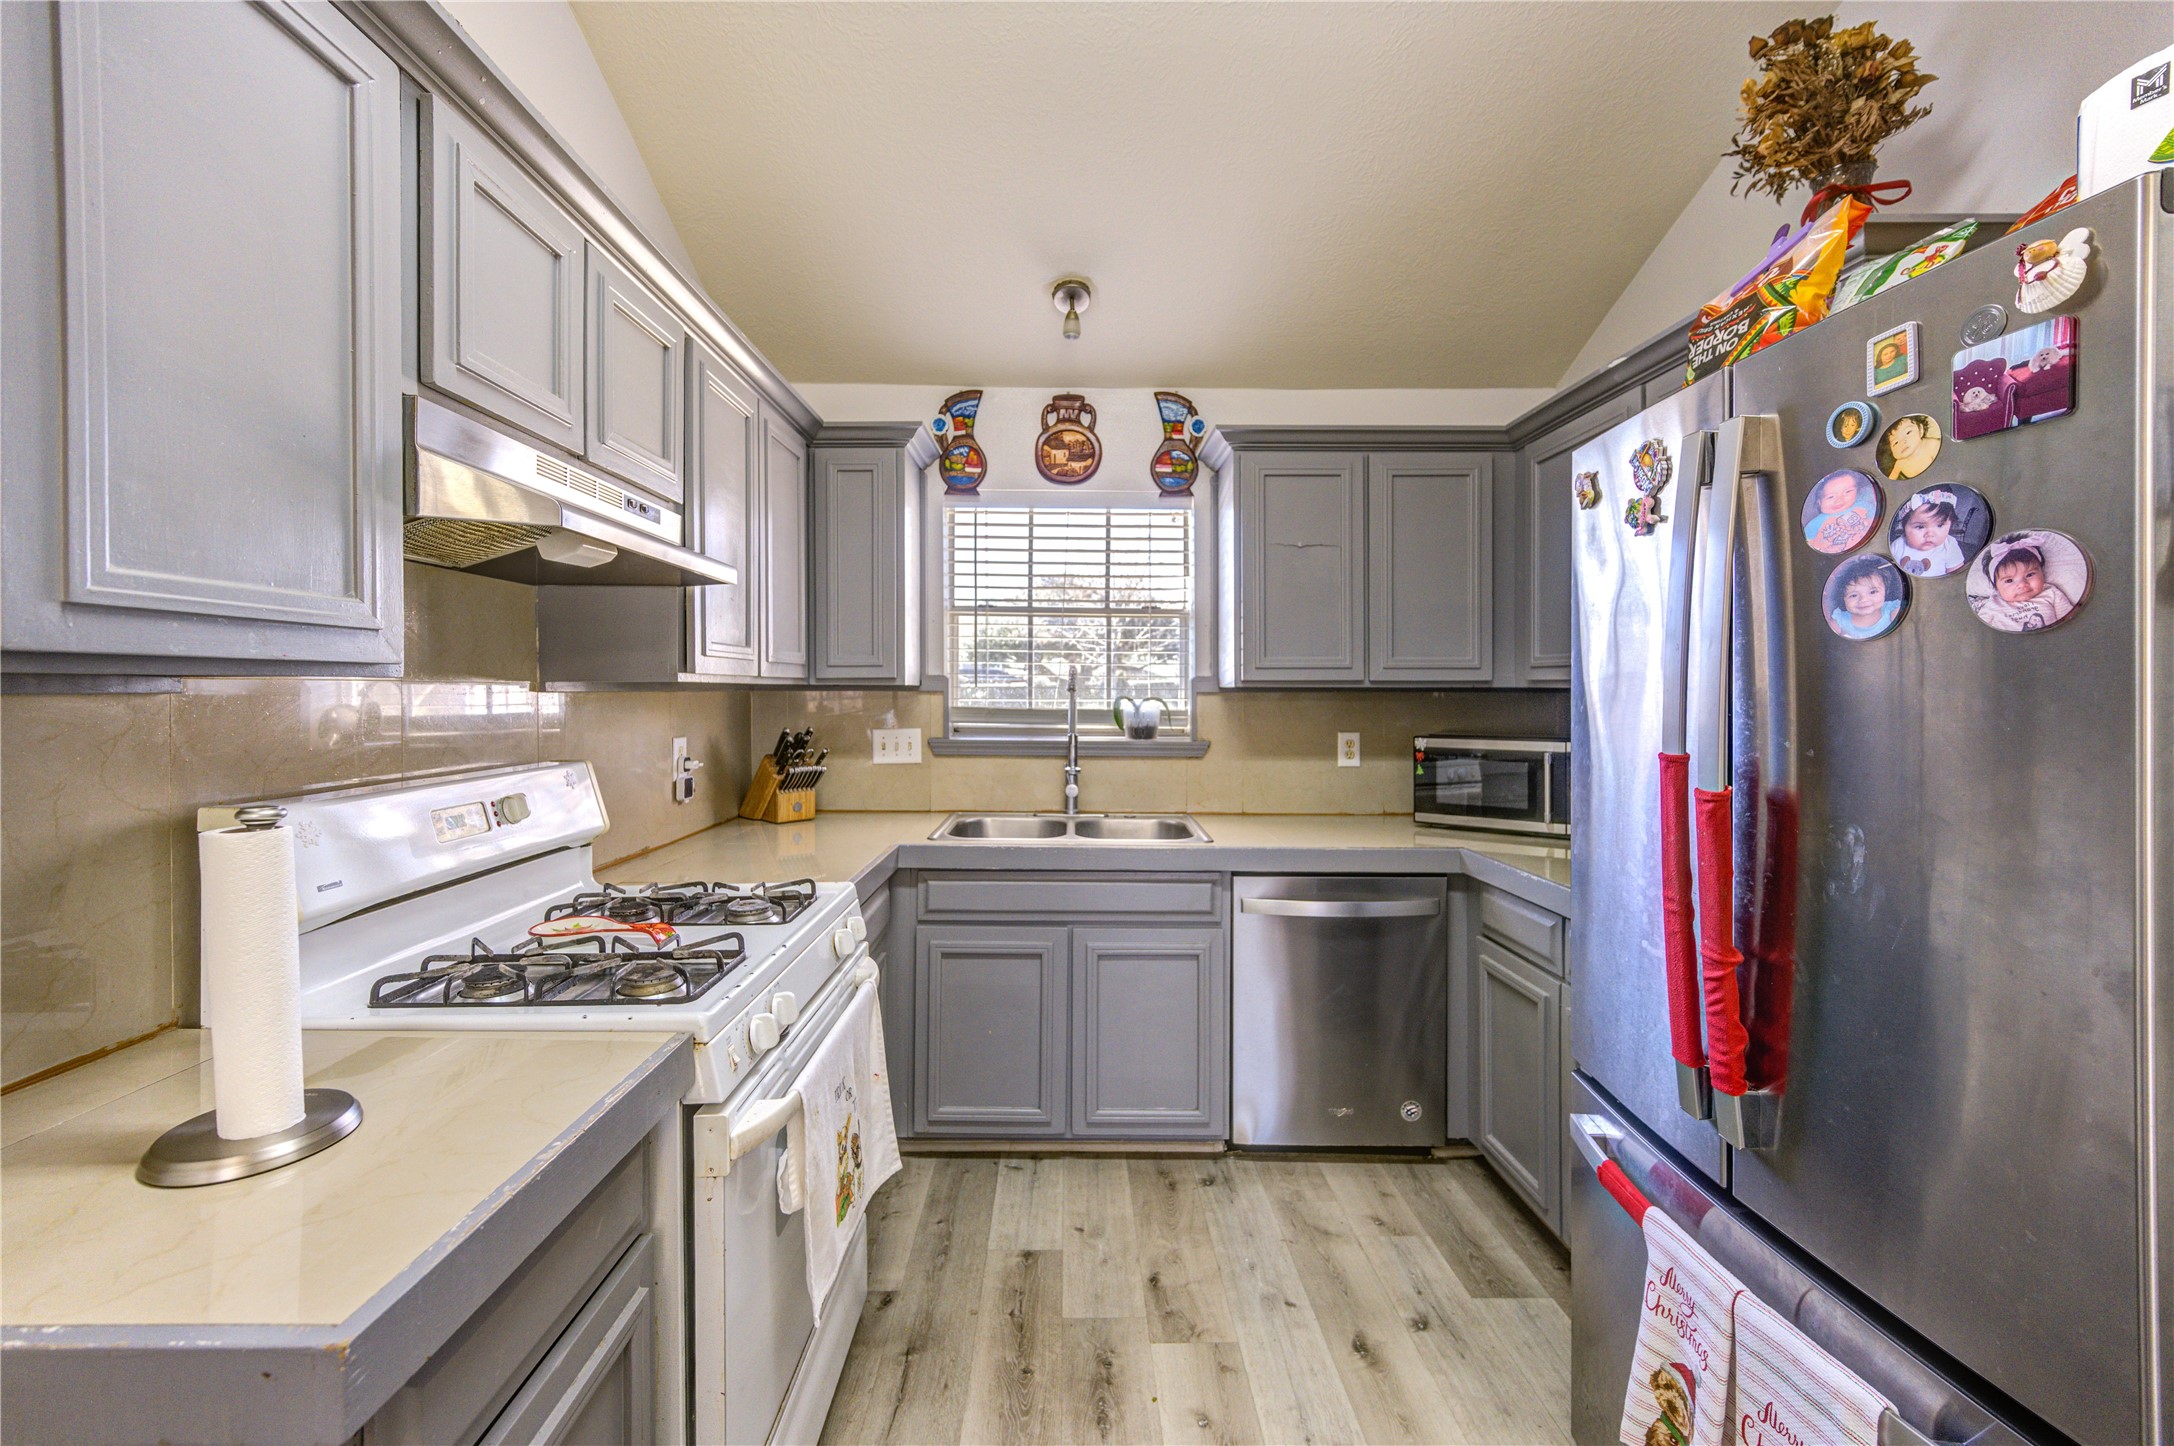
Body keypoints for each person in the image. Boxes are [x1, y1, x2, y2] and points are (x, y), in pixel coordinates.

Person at [1971, 535, 2077, 632]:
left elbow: (2070, 620)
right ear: (1996, 587)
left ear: (2042, 572)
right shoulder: (1992, 603)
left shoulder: (2051, 593)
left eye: (2030, 575)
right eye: (2009, 580)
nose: (2022, 584)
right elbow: (1979, 631)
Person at [1890, 489, 1967, 576]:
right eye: (1920, 527)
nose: (1930, 535)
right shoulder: (1897, 546)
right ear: (1904, 526)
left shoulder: (1949, 546)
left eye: (1940, 525)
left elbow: (1957, 576)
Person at [1828, 556, 1904, 639]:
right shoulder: (1839, 621)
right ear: (1843, 598)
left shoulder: (1892, 611)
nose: (1863, 600)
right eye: (1853, 595)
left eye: (1872, 592)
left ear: (1885, 590)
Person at [1803, 471, 1876, 553]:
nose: (1839, 500)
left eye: (1848, 492)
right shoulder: (1815, 524)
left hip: (1870, 547)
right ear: (1819, 502)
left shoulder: (1863, 506)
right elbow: (1805, 547)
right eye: (1831, 497)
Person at [1878, 414, 1938, 481]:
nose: (1902, 443)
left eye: (1908, 432)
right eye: (1896, 443)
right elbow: (1889, 481)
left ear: (1921, 430)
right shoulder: (1900, 464)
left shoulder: (1932, 445)